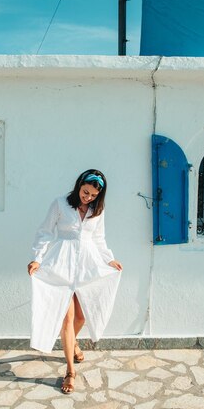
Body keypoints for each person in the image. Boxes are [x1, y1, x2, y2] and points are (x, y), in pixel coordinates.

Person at [27, 169, 123, 394]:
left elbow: (99, 239)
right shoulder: (60, 204)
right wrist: (36, 259)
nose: (87, 197)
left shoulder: (97, 210)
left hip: (88, 266)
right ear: (79, 185)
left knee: (82, 316)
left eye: (92, 195)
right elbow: (45, 232)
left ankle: (74, 343)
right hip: (60, 264)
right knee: (67, 318)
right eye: (85, 192)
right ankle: (70, 371)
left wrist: (109, 259)